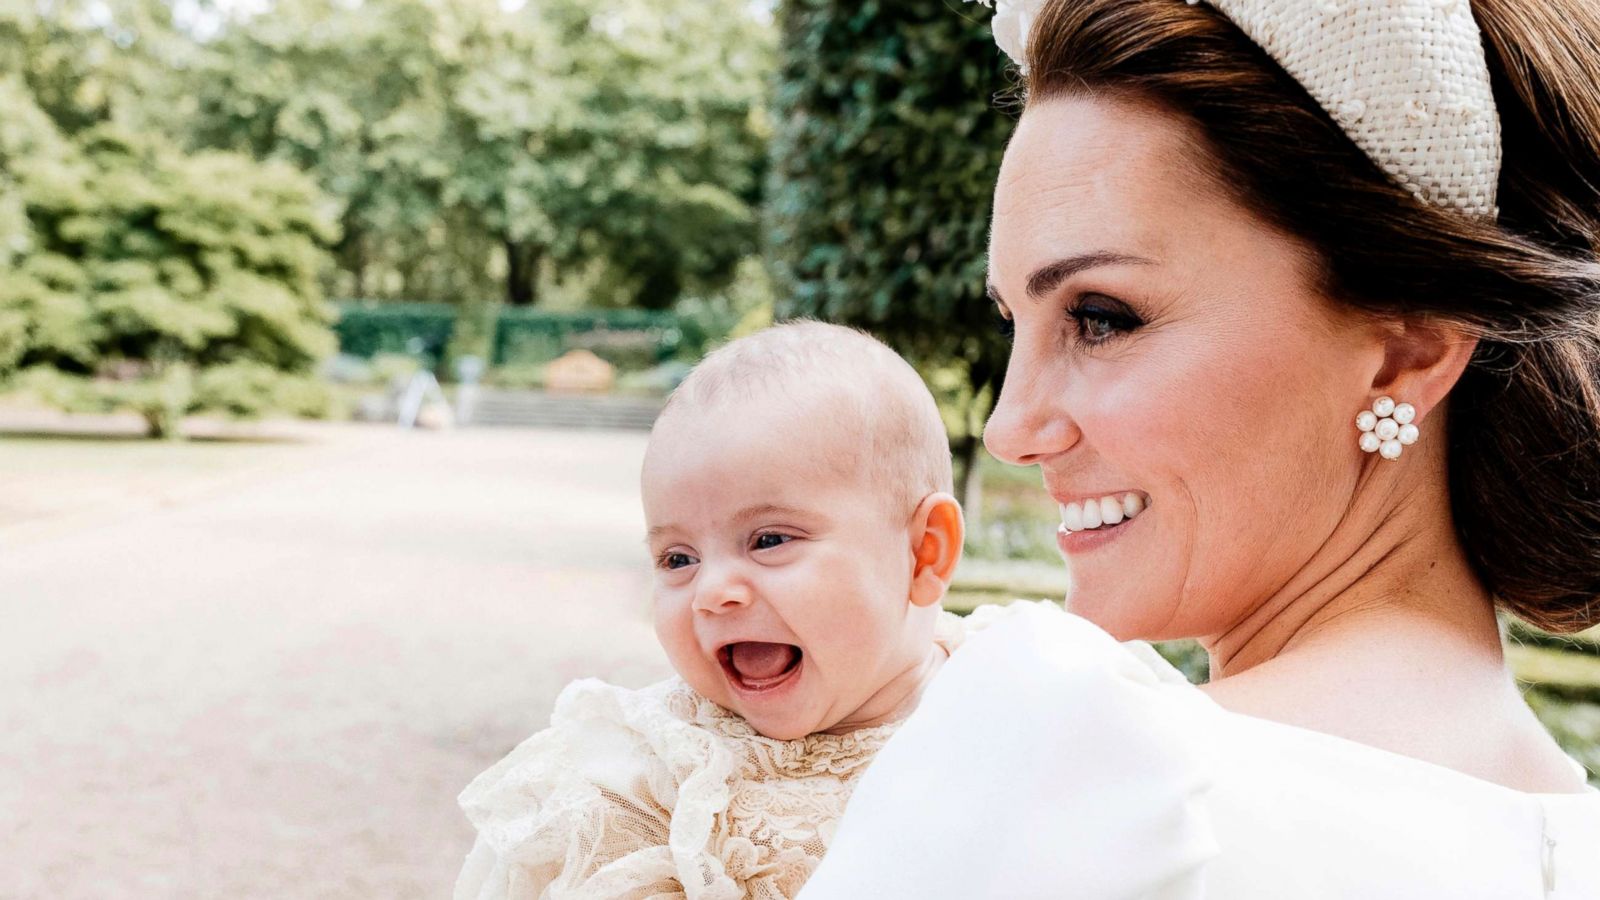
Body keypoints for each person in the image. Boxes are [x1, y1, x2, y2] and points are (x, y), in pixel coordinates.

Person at [797, 0, 1600, 897]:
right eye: (1013, 322)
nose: (1012, 425)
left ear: (1407, 351)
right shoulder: (1576, 840)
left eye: (1100, 319)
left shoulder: (1079, 772)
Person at [454, 320, 999, 900]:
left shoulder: (1016, 699)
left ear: (924, 552)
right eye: (677, 558)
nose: (712, 591)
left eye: (769, 541)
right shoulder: (648, 781)